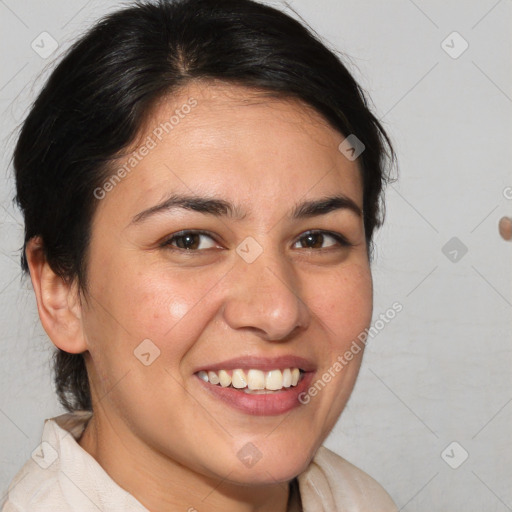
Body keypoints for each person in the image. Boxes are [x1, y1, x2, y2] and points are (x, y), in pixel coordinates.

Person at [1, 0, 399, 510]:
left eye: (316, 239)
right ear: (61, 291)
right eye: (190, 240)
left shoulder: (360, 500)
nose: (278, 311)